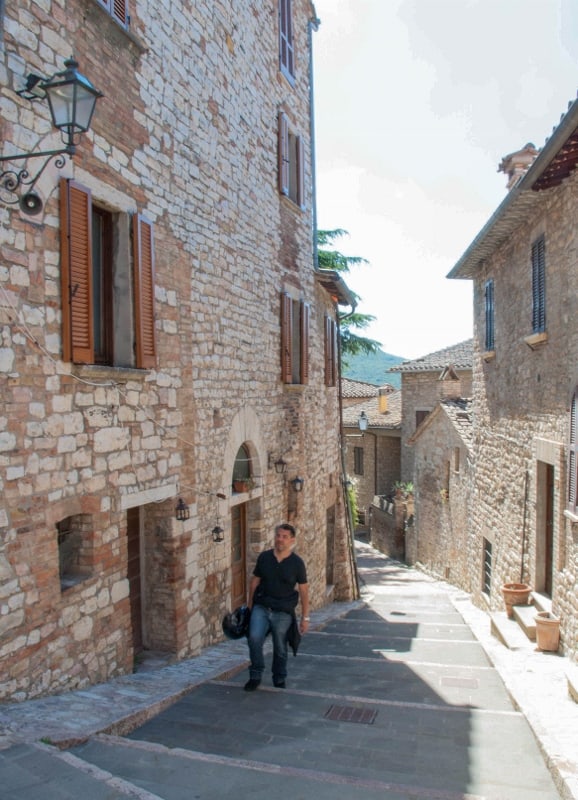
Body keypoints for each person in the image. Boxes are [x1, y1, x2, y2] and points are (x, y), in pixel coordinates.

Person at [244, 523, 309, 691]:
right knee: (254, 639)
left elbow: (303, 590)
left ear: (292, 540)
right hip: (262, 607)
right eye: (278, 535)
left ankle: (279, 677)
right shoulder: (264, 557)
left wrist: (305, 617)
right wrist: (250, 606)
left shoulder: (297, 563)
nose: (280, 539)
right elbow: (255, 581)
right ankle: (255, 674)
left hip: (283, 611)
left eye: (284, 537)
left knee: (280, 645)